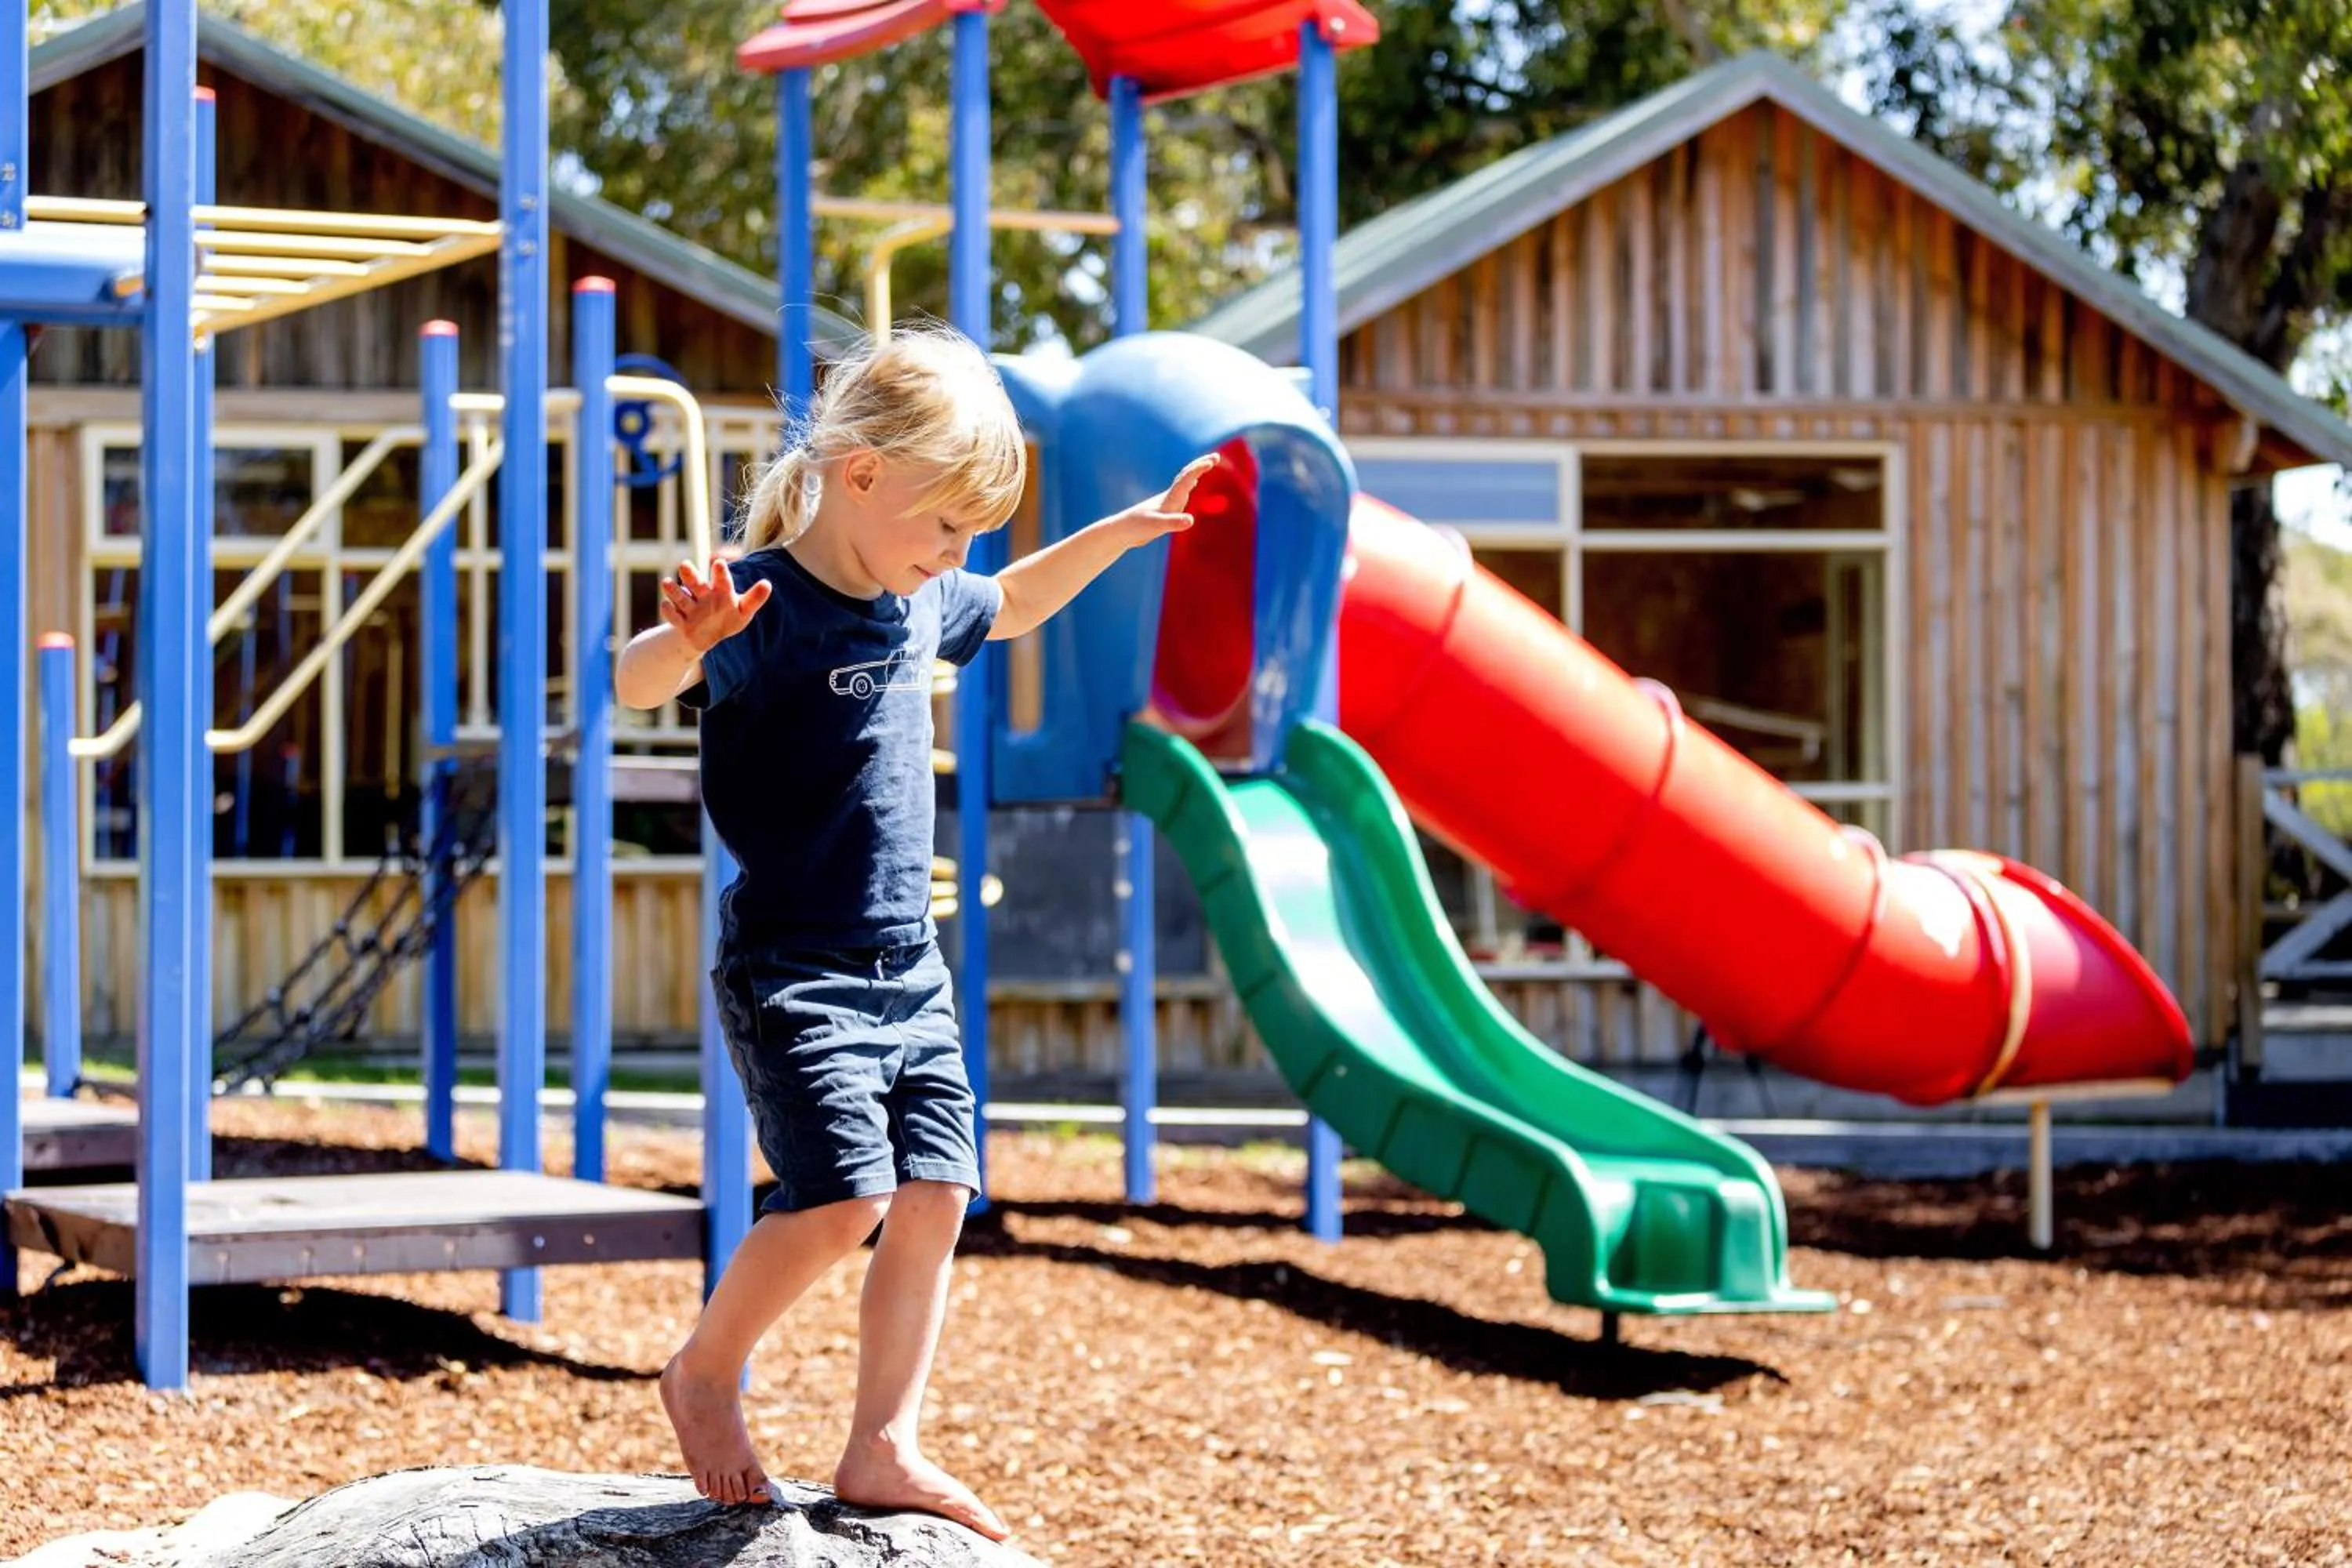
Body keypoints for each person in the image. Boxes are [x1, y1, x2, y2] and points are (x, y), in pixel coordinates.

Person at [614, 322, 1215, 1539]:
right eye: (945, 525)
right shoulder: (765, 602)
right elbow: (633, 683)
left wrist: (1122, 529)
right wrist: (688, 639)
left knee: (938, 1191)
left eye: (969, 537)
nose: (955, 555)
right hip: (795, 965)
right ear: (862, 475)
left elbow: (1020, 598)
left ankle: (883, 1443)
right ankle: (704, 1373)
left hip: (911, 968)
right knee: (843, 1200)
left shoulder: (921, 598)